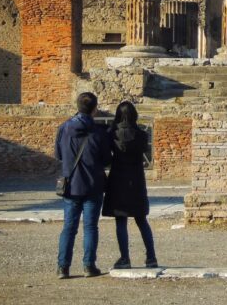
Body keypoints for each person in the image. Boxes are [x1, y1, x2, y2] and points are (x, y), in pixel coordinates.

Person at [55, 92, 112, 279]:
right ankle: (88, 266)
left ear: (77, 106)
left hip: (71, 184)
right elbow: (106, 160)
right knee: (90, 227)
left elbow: (59, 155)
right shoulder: (99, 132)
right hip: (93, 185)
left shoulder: (64, 128)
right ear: (95, 109)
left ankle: (63, 267)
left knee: (68, 227)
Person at [102, 101, 158, 269]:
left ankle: (125, 258)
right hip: (136, 179)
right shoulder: (141, 134)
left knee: (121, 220)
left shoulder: (111, 134)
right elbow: (143, 152)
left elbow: (107, 158)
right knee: (141, 220)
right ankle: (151, 257)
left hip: (118, 178)